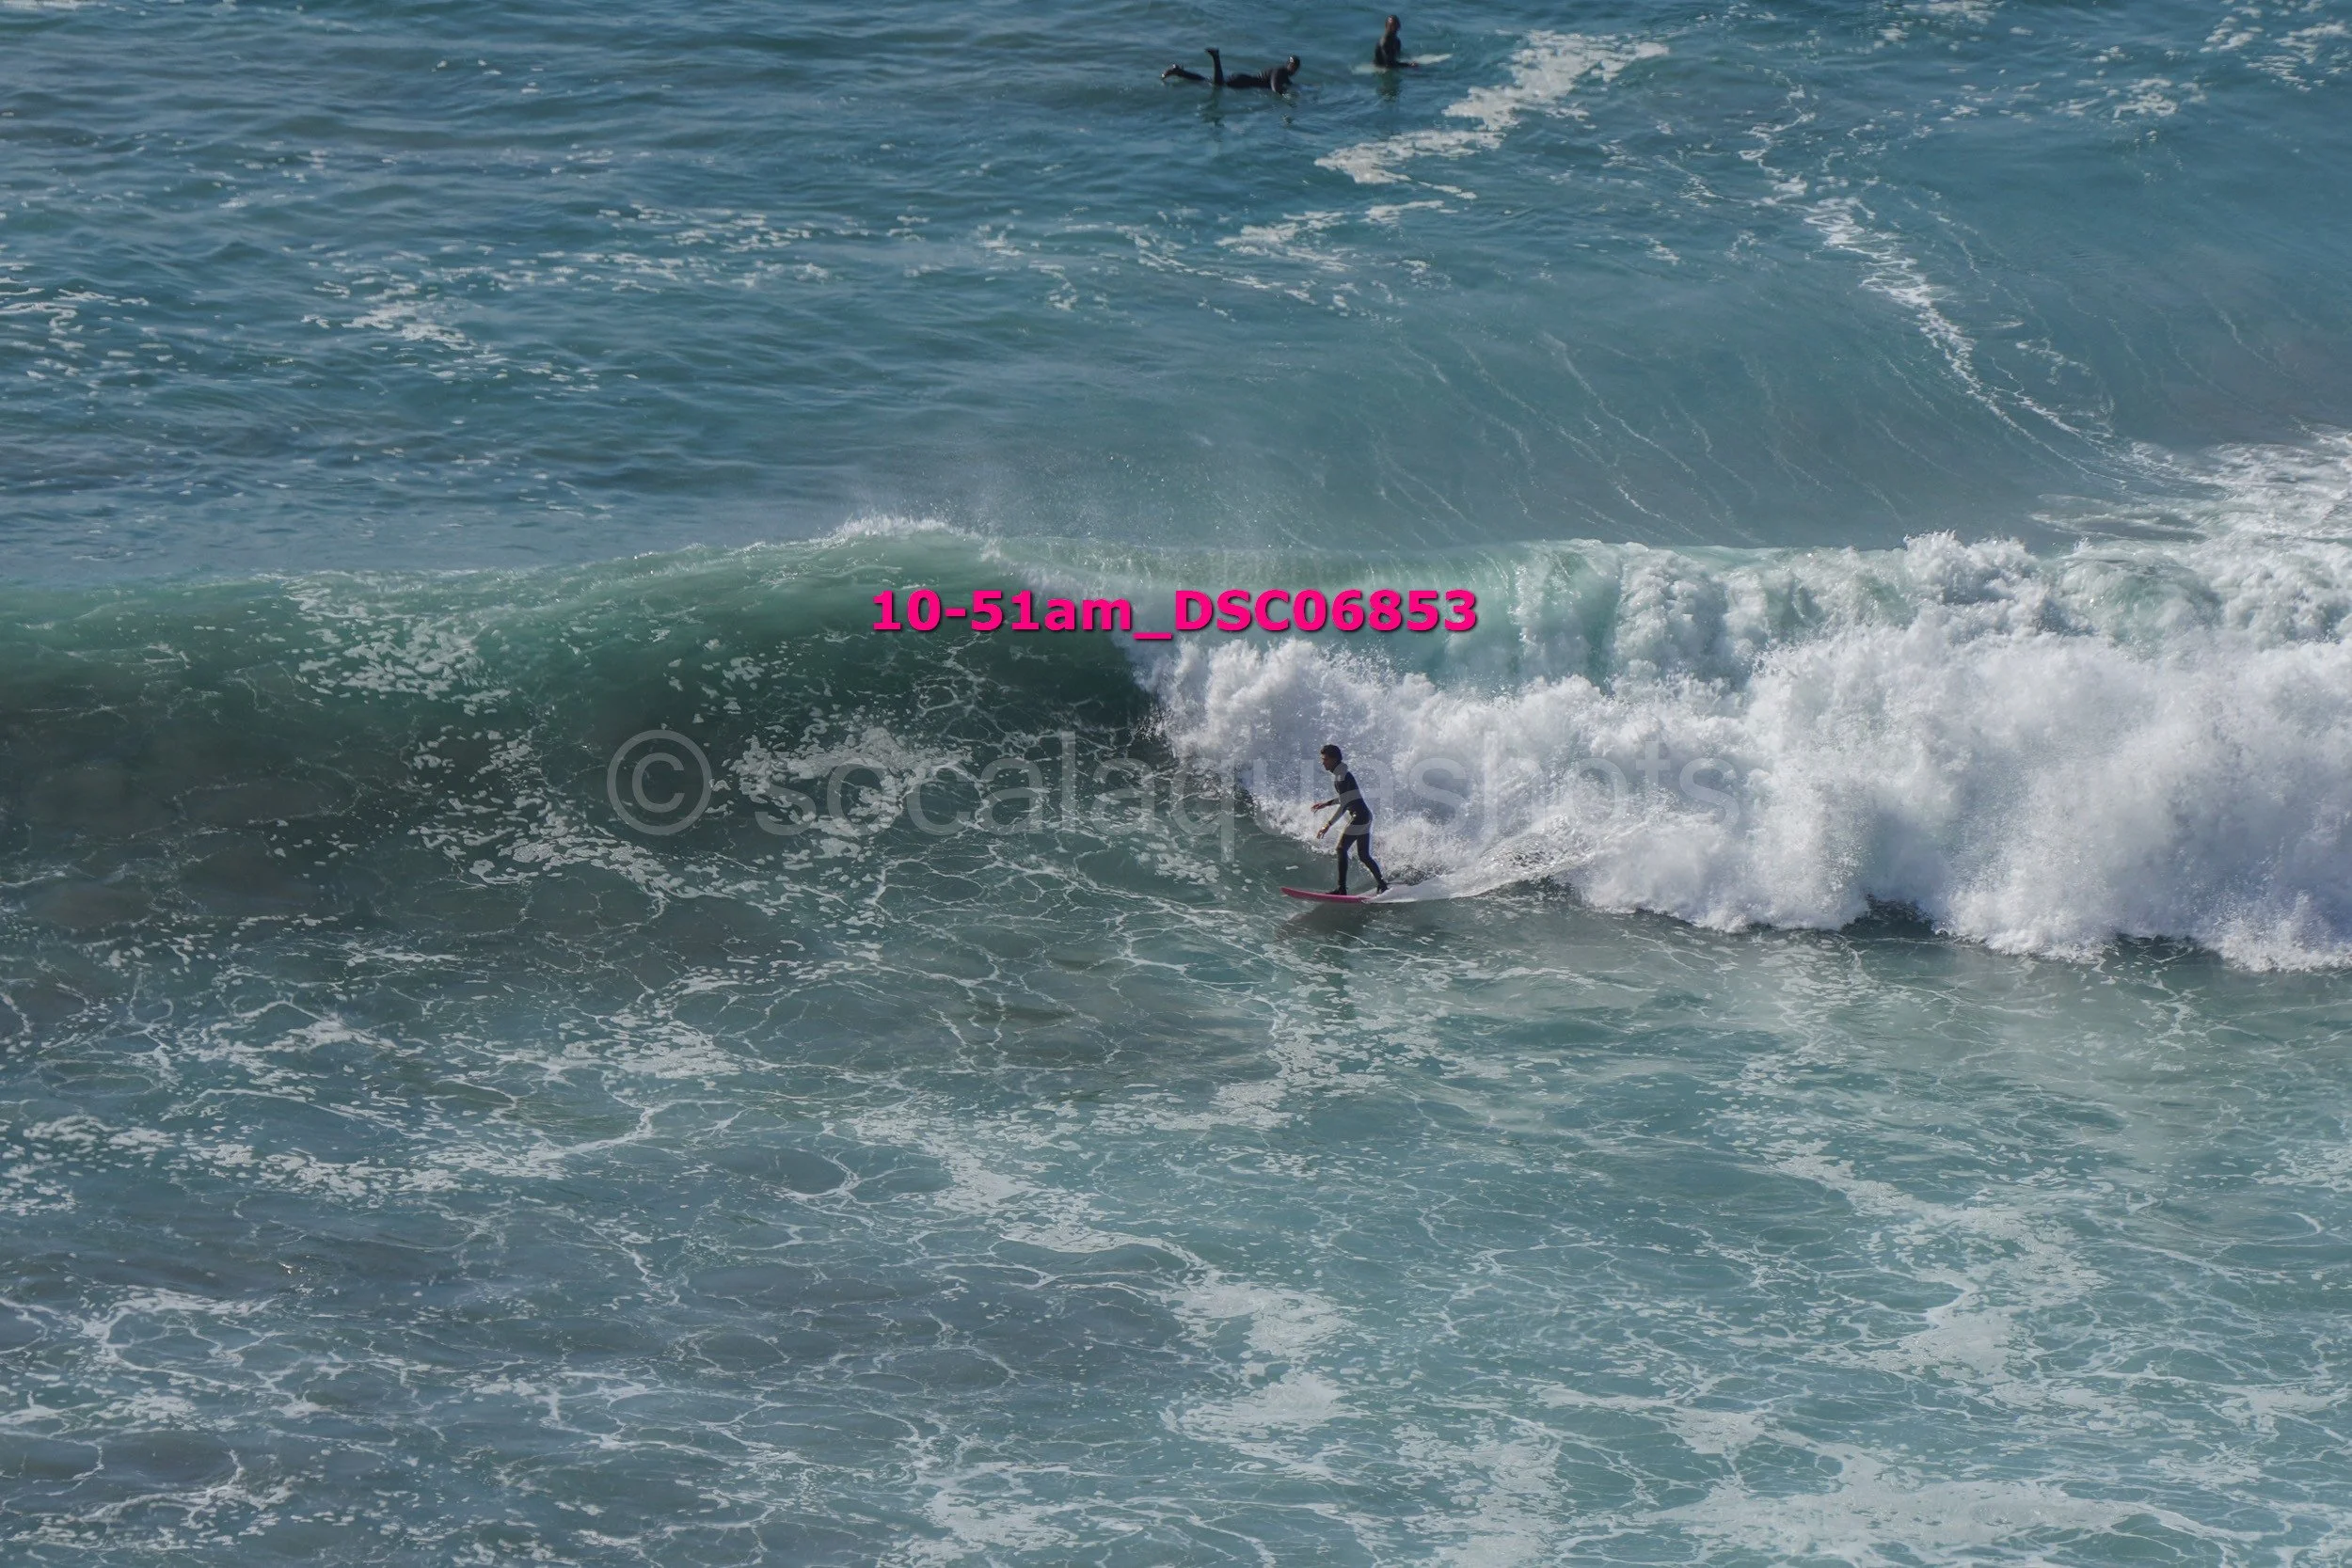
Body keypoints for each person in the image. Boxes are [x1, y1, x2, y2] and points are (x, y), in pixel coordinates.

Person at [1313, 744, 1388, 895]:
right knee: (1364, 856)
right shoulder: (1342, 773)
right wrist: (1326, 804)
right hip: (1365, 815)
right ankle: (1382, 885)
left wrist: (1327, 825)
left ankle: (1341, 889)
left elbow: (1344, 804)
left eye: (1325, 759)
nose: (1323, 762)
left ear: (1334, 759)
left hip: (1359, 817)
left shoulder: (1341, 776)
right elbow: (1344, 798)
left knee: (1341, 849)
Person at [1164, 48, 1300, 91]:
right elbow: (1275, 87)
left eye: (1294, 67)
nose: (1292, 69)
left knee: (1207, 81)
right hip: (1242, 81)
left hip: (1243, 80)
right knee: (1217, 85)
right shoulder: (1279, 71)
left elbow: (1289, 85)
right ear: (1286, 64)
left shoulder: (1285, 76)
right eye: (1291, 65)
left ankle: (1179, 72)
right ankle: (1216, 57)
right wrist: (1286, 97)